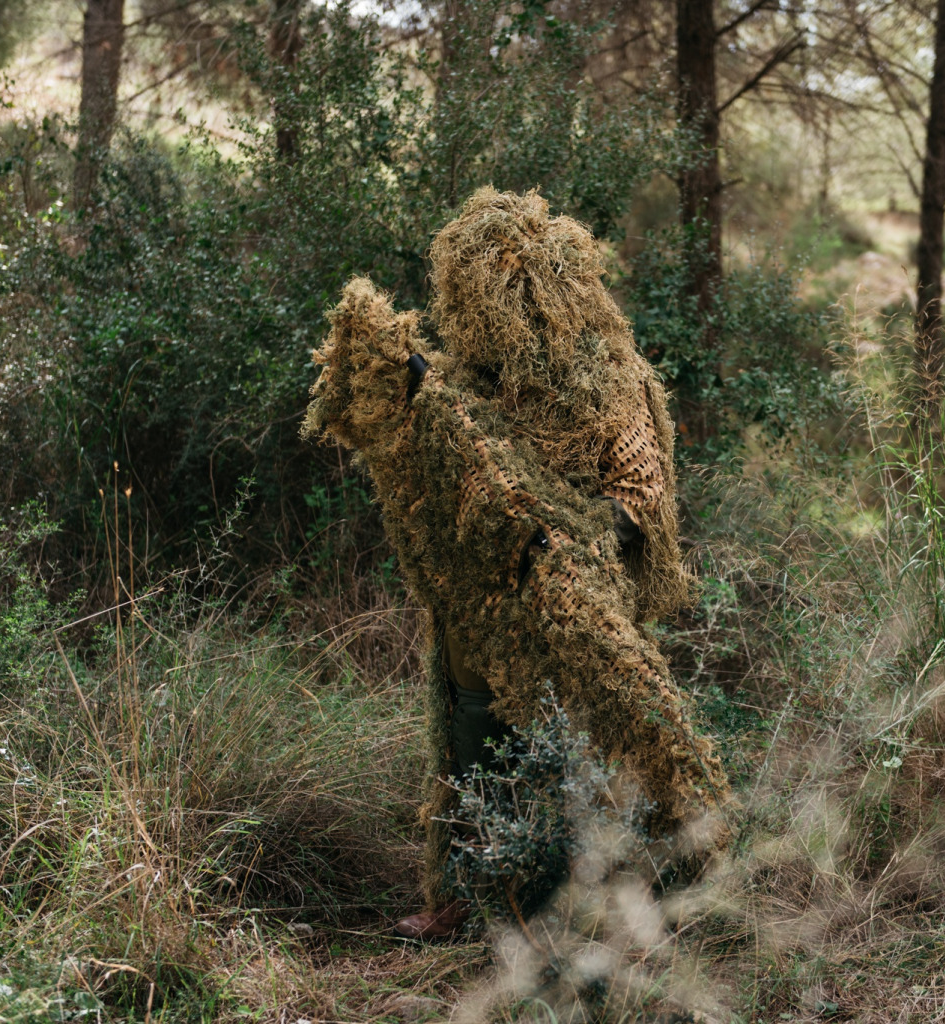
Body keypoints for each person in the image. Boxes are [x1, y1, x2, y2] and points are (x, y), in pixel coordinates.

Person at [302, 190, 729, 943]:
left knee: (589, 736)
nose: (489, 315)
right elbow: (453, 459)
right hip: (487, 599)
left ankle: (585, 900)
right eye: (471, 298)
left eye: (504, 295)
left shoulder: (608, 377)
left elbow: (639, 491)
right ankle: (468, 894)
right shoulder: (468, 385)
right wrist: (409, 386)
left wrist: (574, 555)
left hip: (580, 597)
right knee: (473, 733)